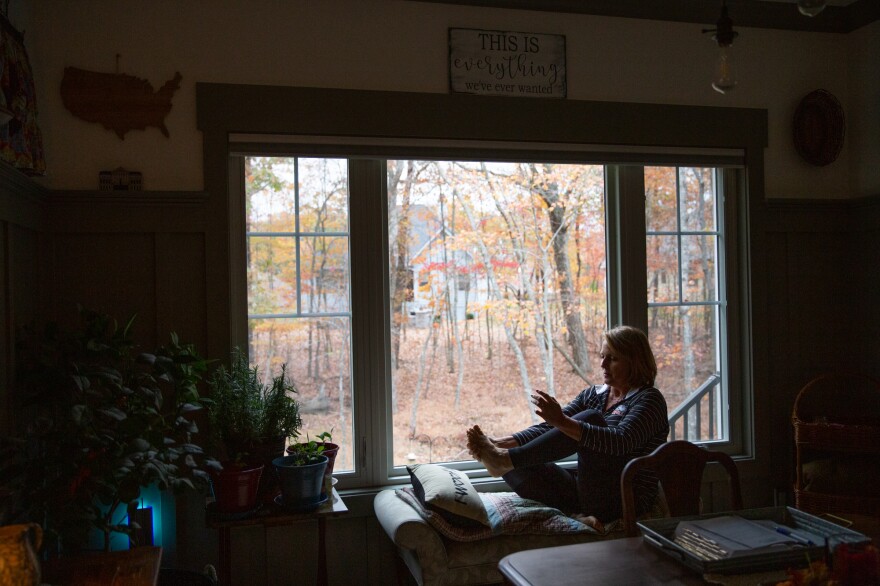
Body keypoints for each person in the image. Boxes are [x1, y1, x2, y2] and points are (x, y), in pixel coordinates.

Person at [467, 325, 669, 530]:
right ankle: (574, 513)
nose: (602, 364)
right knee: (519, 460)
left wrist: (562, 421)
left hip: (624, 497)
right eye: (602, 356)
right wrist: (502, 443)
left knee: (590, 418)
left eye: (613, 359)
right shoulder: (593, 395)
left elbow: (620, 441)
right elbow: (551, 428)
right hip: (586, 492)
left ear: (635, 362)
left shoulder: (649, 400)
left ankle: (504, 460)